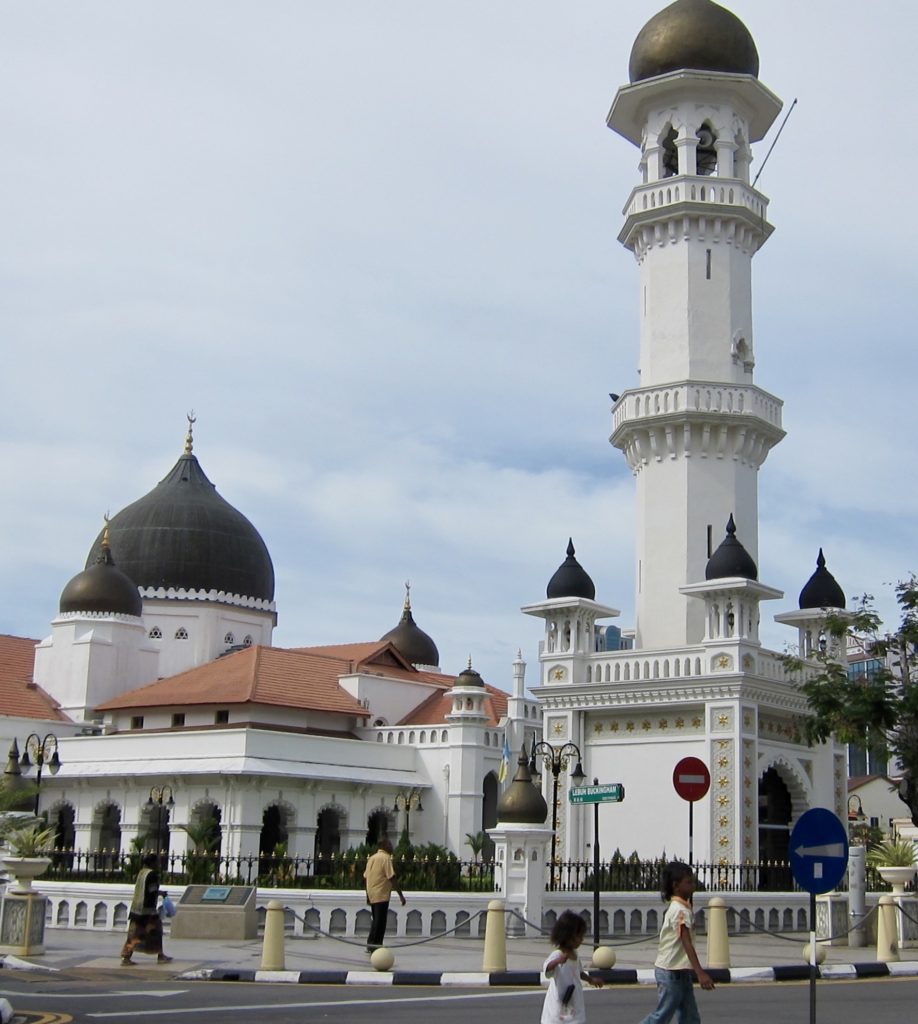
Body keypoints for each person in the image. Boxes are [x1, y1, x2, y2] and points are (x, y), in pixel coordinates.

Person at [639, 861, 714, 1024]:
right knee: (663, 1014)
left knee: (690, 1015)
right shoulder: (679, 910)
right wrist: (700, 972)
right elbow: (686, 941)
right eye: (689, 882)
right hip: (670, 971)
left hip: (680, 971)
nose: (693, 886)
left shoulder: (683, 907)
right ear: (676, 886)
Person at [541, 910, 603, 1024]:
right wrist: (558, 961)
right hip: (559, 1003)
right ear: (567, 936)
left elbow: (578, 972)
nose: (581, 939)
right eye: (578, 936)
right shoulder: (558, 954)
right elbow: (547, 967)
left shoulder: (574, 954)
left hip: (573, 999)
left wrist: (590, 980)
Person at [120, 853, 173, 965]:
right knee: (156, 932)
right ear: (153, 863)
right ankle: (160, 955)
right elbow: (151, 890)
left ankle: (127, 956)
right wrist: (161, 893)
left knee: (134, 934)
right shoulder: (152, 874)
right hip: (148, 911)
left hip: (136, 909)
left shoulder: (142, 872)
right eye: (157, 862)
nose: (159, 864)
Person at [363, 837, 405, 953]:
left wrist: (367, 895)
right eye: (390, 845)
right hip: (381, 894)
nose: (392, 847)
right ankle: (376, 945)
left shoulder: (372, 858)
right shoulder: (385, 858)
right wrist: (401, 895)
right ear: (385, 846)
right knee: (380, 921)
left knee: (376, 920)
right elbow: (391, 877)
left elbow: (366, 877)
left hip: (372, 893)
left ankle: (371, 944)